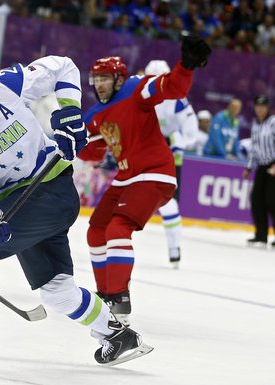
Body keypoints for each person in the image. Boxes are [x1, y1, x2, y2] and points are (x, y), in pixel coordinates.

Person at [0, 49, 152, 366]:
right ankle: (116, 335)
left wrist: (68, 112)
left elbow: (63, 67)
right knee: (57, 292)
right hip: (20, 205)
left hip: (50, 189)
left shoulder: (5, 86)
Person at [78, 36, 211, 327]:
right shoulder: (95, 114)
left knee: (118, 227)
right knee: (96, 230)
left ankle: (118, 296)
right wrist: (66, 138)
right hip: (126, 178)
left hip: (154, 173)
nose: (99, 84)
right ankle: (105, 293)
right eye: (95, 79)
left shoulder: (135, 88)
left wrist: (186, 66)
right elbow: (90, 150)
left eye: (105, 79)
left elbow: (173, 87)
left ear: (118, 78)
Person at [144, 59, 200, 268]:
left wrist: (179, 142)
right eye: (152, 79)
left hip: (169, 155)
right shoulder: (139, 94)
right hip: (142, 152)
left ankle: (174, 246)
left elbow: (192, 132)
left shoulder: (178, 100)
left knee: (169, 204)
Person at [243, 95, 275, 248]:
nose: (260, 109)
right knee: (256, 200)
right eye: (258, 106)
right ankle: (261, 236)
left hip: (274, 166)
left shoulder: (273, 122)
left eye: (263, 106)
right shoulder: (255, 125)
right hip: (262, 166)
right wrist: (249, 167)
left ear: (267, 107)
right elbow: (254, 149)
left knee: (272, 200)